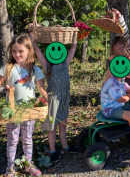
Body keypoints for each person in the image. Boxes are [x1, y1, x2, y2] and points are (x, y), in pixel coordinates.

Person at [0, 34, 47, 177]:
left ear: (29, 50)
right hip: (12, 111)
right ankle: (10, 167)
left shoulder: (35, 70)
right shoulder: (8, 68)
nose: (17, 54)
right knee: (12, 140)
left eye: (20, 51)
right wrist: (5, 88)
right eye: (14, 51)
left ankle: (28, 163)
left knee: (28, 139)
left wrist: (47, 99)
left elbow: (41, 90)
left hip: (29, 110)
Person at [28, 25, 79, 163]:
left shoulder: (65, 63)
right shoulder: (47, 65)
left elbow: (73, 49)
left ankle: (65, 147)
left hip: (64, 98)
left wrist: (75, 36)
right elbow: (37, 51)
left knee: (63, 123)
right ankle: (52, 151)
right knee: (52, 125)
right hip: (53, 99)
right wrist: (32, 38)